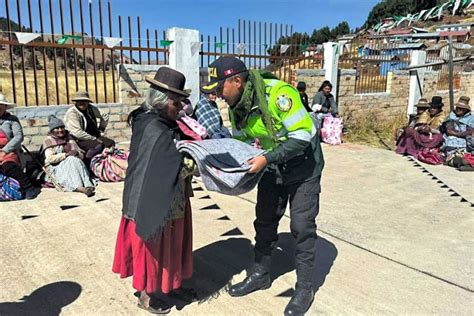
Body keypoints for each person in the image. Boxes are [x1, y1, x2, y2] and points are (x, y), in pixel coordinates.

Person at [202, 57, 324, 315]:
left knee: (301, 227)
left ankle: (304, 288)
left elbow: (303, 135)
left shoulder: (279, 94)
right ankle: (260, 274)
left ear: (237, 81)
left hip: (304, 167)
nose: (216, 95)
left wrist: (266, 158)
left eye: (218, 87)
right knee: (265, 221)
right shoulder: (238, 106)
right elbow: (242, 142)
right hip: (273, 166)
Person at [113, 67, 197, 314]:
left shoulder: (164, 123)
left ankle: (172, 283)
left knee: (175, 241)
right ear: (161, 101)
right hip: (149, 198)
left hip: (173, 196)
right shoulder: (152, 127)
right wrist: (193, 161)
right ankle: (148, 294)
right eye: (176, 102)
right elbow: (168, 163)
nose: (180, 107)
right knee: (153, 246)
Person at [42, 115, 95, 197]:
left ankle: (87, 185)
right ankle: (80, 188)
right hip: (56, 166)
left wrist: (78, 154)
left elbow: (80, 153)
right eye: (57, 128)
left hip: (74, 163)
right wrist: (66, 155)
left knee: (75, 160)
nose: (60, 130)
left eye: (62, 127)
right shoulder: (48, 141)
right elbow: (50, 159)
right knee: (71, 160)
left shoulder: (69, 137)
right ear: (52, 130)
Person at [0, 93, 40, 199]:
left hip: (9, 151)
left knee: (8, 166)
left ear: (5, 106)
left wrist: (4, 151)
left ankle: (28, 188)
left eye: (1, 105)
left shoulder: (11, 119)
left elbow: (19, 137)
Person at [64, 91, 115, 160]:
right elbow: (77, 133)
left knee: (110, 143)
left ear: (88, 102)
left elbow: (104, 116)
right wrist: (94, 139)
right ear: (76, 102)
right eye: (79, 101)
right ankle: (88, 162)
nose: (82, 103)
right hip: (79, 139)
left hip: (93, 136)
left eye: (84, 101)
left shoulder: (90, 108)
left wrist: (101, 129)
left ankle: (106, 162)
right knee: (98, 146)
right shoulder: (72, 113)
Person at [442, 96, 473, 168]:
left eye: (461, 108)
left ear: (465, 110)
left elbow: (470, 131)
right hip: (452, 139)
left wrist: (460, 134)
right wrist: (460, 134)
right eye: (457, 108)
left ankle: (463, 160)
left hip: (465, 141)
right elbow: (449, 130)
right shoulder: (452, 116)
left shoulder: (471, 118)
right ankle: (455, 159)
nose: (458, 109)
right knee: (450, 138)